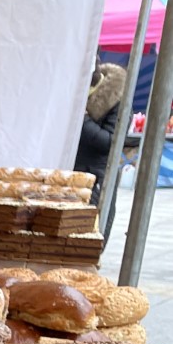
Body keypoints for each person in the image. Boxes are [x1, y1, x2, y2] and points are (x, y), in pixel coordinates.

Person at [74, 62, 128, 225]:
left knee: (89, 231)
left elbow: (111, 142)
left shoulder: (116, 99)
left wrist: (84, 119)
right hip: (68, 174)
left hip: (96, 177)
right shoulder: (73, 93)